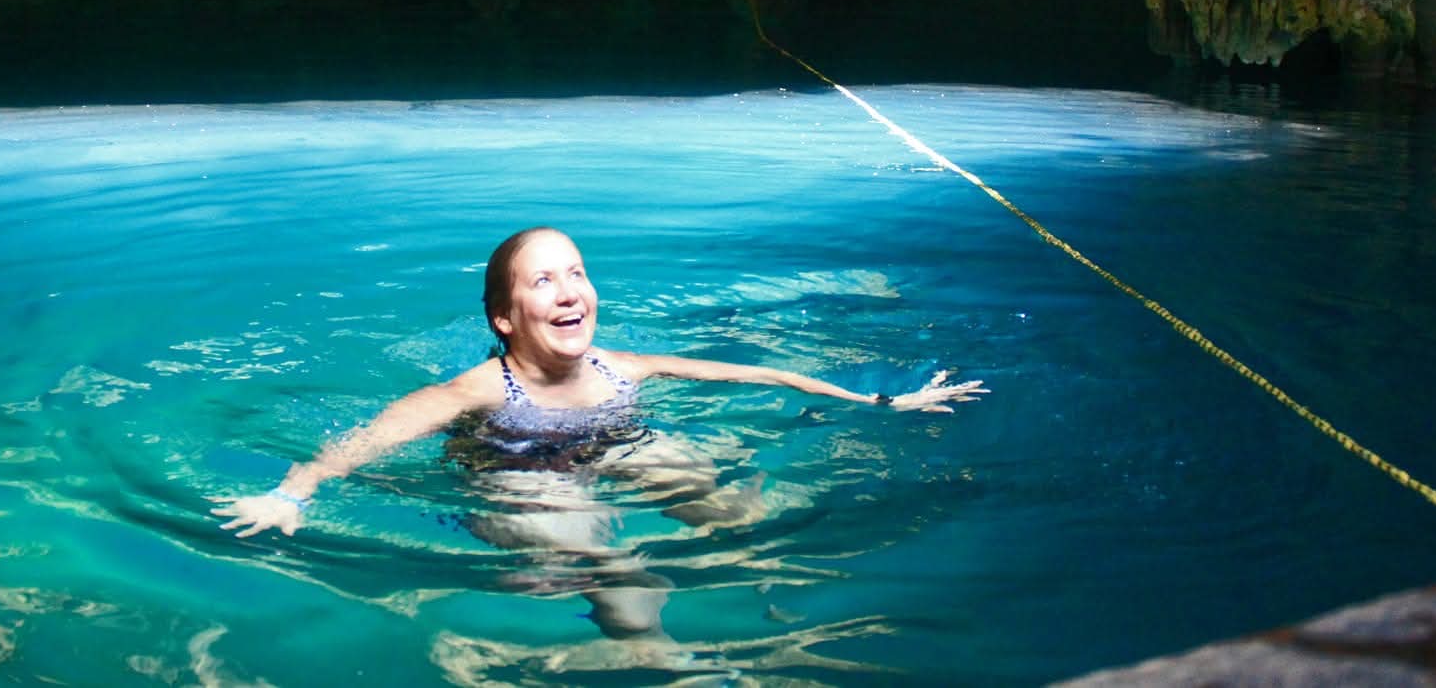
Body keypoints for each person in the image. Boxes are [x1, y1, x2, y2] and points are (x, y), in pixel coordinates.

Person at [212, 225, 987, 637]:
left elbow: (759, 377)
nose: (569, 289)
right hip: (515, 465)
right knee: (609, 561)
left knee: (738, 504)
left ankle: (773, 583)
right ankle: (668, 658)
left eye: (577, 271)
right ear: (505, 317)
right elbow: (371, 436)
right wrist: (293, 492)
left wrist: (883, 403)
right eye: (542, 279)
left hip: (613, 436)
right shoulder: (480, 387)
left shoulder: (624, 368)